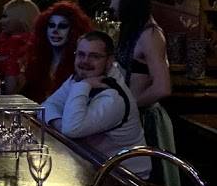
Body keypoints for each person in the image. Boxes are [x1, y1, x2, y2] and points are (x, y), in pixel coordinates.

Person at [111, 0, 182, 186]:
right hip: (134, 115)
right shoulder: (135, 30)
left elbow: (163, 87)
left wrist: (130, 105)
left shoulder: (151, 35)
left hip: (147, 120)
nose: (111, 5)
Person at [41, 31, 151, 178]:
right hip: (96, 165)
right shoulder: (80, 78)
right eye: (81, 54)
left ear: (109, 60)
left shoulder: (113, 97)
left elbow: (72, 129)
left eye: (94, 56)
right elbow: (46, 106)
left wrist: (84, 85)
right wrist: (61, 124)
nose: (85, 61)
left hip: (127, 176)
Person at [21, 1, 93, 103]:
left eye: (62, 26)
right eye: (51, 25)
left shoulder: (79, 64)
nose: (55, 30)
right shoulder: (37, 61)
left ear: (73, 30)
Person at [0, 0, 40, 94]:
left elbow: (12, 89)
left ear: (21, 18)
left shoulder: (32, 45)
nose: (0, 21)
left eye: (5, 17)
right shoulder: (1, 41)